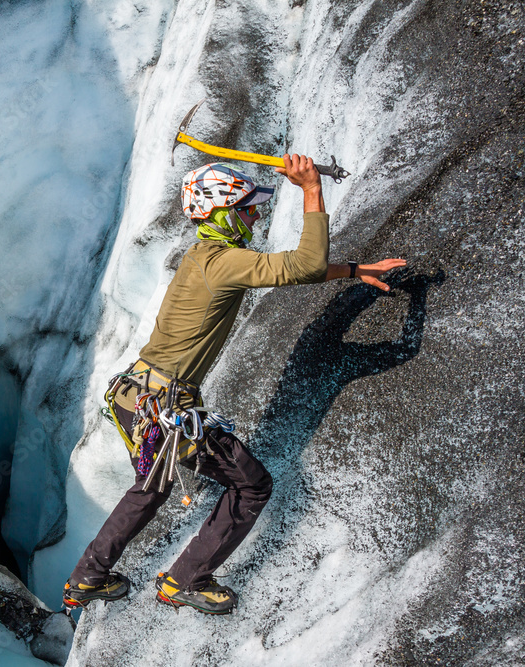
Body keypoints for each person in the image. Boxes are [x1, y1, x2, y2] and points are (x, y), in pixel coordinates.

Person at [62, 154, 406, 614]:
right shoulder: (222, 263)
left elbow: (281, 269)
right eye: (247, 207)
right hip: (166, 405)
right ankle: (186, 580)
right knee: (252, 485)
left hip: (135, 395)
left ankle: (87, 578)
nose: (256, 214)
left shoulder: (205, 257)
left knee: (151, 486)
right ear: (222, 211)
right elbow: (303, 264)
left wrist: (351, 271)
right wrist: (310, 188)